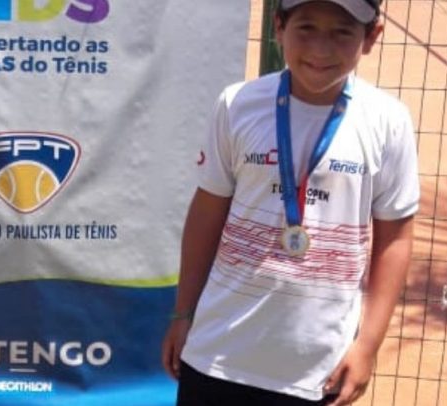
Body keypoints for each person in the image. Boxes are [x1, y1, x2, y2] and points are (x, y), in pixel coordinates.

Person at [161, 0, 419, 405]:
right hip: (218, 353)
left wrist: (367, 346)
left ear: (371, 37)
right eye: (306, 28)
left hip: (315, 368)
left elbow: (396, 239)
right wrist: (183, 313)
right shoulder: (237, 104)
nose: (320, 49)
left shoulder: (388, 121)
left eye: (342, 32)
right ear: (279, 28)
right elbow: (206, 213)